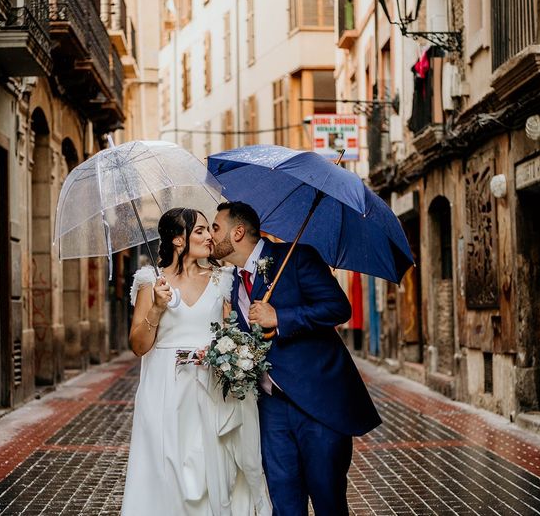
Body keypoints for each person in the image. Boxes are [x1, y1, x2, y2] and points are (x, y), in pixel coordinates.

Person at [210, 201, 381, 516]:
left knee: (327, 498)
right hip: (270, 406)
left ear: (237, 232)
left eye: (215, 227)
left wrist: (281, 317)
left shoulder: (297, 258)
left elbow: (338, 308)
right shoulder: (232, 281)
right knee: (284, 501)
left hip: (318, 404)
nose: (210, 235)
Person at [122, 207, 271, 516]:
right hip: (164, 387)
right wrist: (156, 309)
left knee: (209, 466)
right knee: (167, 466)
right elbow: (138, 345)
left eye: (208, 229)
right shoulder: (151, 281)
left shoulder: (223, 279)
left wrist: (234, 353)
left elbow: (233, 330)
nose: (210, 236)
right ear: (179, 240)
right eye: (201, 231)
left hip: (211, 387)